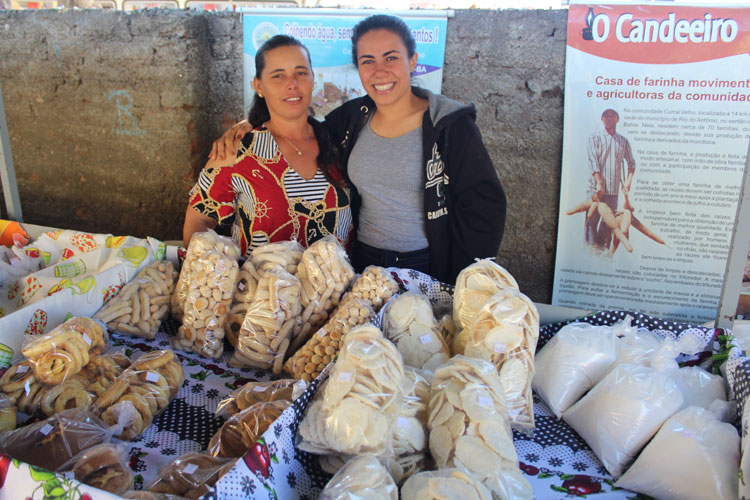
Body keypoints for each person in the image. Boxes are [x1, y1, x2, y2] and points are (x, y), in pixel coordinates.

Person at [210, 15, 506, 284]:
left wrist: (466, 278)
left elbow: (484, 206)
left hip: (425, 264)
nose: (380, 71)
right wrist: (250, 123)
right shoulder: (351, 118)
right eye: (368, 61)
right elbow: (297, 125)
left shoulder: (448, 126)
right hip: (361, 263)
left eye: (391, 58)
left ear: (412, 60)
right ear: (359, 68)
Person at [183, 35, 352, 256]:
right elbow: (198, 222)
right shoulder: (236, 151)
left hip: (338, 288)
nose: (292, 84)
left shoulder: (339, 142)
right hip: (262, 288)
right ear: (258, 86)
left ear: (313, 79)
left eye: (300, 73)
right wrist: (218, 273)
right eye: (278, 76)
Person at [585, 108, 636, 251]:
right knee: (591, 221)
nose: (608, 118)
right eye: (605, 116)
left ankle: (600, 251)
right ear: (602, 120)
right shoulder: (594, 138)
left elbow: (632, 164)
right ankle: (588, 252)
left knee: (608, 224)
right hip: (595, 189)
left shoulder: (623, 142)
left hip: (613, 190)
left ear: (617, 119)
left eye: (611, 115)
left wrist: (628, 182)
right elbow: (592, 161)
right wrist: (599, 183)